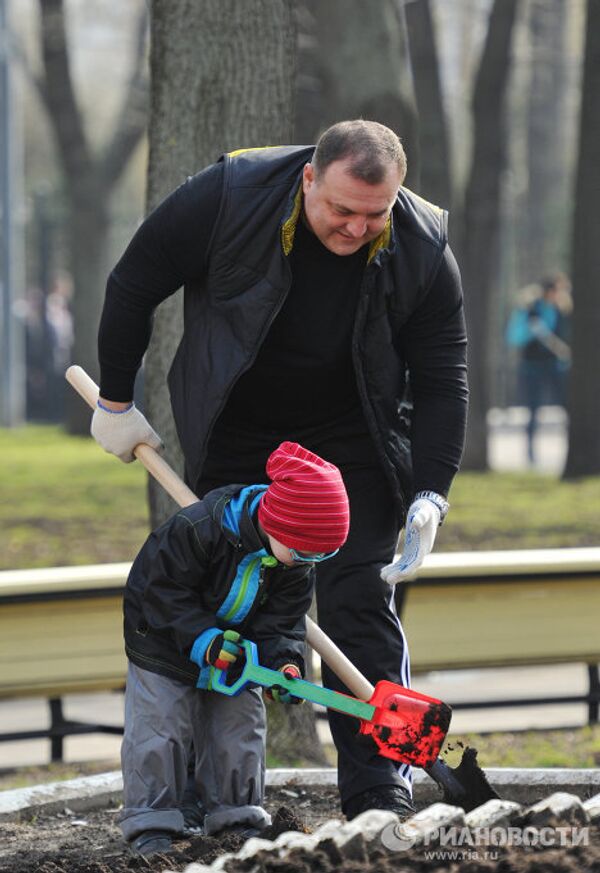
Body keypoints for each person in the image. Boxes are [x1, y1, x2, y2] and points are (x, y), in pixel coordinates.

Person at [92, 119, 469, 821]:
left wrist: (428, 493)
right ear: (308, 179)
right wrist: (116, 399)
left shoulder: (421, 243)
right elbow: (135, 280)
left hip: (352, 439)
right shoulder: (230, 196)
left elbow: (444, 374)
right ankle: (218, 795)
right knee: (226, 606)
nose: (357, 228)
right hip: (241, 436)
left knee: (360, 601)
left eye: (374, 213)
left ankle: (379, 789)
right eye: (341, 210)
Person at [119, 440, 350, 856]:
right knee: (160, 729)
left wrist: (284, 662)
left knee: (240, 728)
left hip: (239, 657)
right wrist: (203, 639)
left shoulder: (296, 563)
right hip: (164, 646)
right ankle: (152, 824)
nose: (308, 561)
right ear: (275, 523)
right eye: (303, 551)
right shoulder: (198, 530)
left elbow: (283, 622)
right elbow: (160, 594)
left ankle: (237, 817)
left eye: (322, 555)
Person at [506, 273, 572, 464]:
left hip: (556, 367)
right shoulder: (529, 310)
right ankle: (530, 455)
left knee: (567, 407)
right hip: (531, 368)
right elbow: (513, 337)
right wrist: (531, 330)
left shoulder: (563, 311)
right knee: (533, 411)